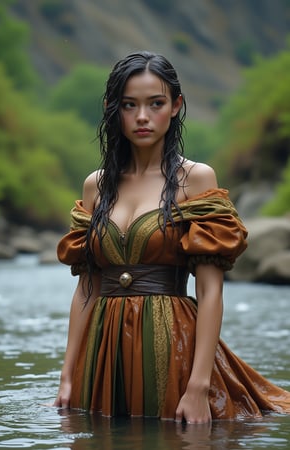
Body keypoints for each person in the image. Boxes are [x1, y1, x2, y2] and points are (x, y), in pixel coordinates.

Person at [53, 51, 290, 423]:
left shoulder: (196, 179)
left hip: (172, 341)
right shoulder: (95, 186)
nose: (142, 117)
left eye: (156, 103)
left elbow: (211, 291)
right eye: (129, 105)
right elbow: (87, 287)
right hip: (102, 347)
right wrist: (67, 375)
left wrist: (197, 387)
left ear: (176, 106)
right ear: (112, 108)